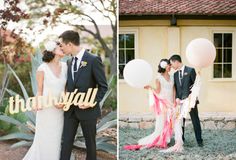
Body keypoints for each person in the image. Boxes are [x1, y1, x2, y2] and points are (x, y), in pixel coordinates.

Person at [59, 30, 108, 160]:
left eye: (62, 45)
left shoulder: (93, 60)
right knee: (66, 142)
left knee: (90, 144)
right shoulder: (69, 62)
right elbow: (69, 86)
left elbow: (103, 86)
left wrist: (91, 102)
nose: (61, 48)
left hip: (88, 111)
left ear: (69, 44)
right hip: (70, 110)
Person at [23, 41, 67, 160]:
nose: (62, 48)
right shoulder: (42, 68)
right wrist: (37, 104)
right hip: (46, 109)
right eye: (59, 47)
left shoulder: (65, 66)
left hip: (60, 109)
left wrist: (63, 102)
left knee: (56, 139)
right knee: (44, 138)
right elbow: (40, 90)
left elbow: (65, 88)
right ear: (53, 51)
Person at [169, 54, 203, 147]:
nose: (171, 66)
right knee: (180, 121)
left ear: (176, 61)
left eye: (172, 64)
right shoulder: (175, 74)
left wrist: (191, 98)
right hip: (180, 102)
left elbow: (196, 86)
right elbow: (176, 88)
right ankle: (182, 139)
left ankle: (199, 141)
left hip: (191, 102)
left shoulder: (190, 70)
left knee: (195, 120)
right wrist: (177, 98)